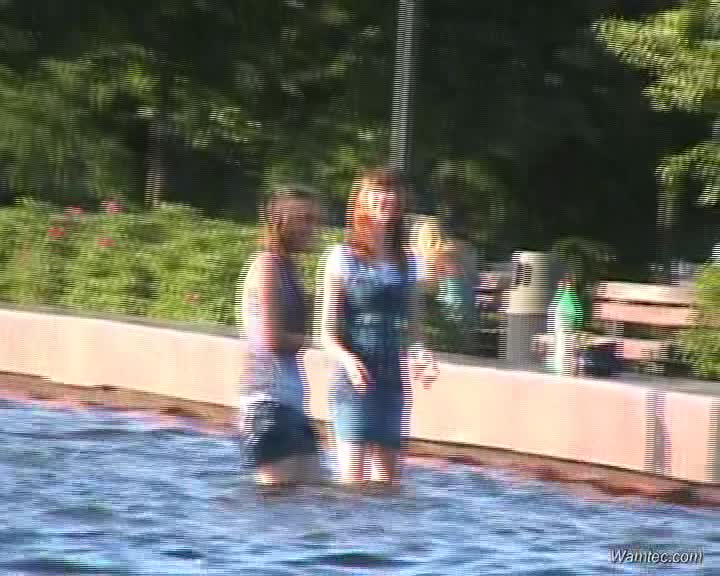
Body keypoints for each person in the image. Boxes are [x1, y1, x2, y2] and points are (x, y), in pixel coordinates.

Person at [320, 167, 436, 488]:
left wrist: (422, 356)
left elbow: (415, 331)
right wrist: (348, 361)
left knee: (388, 483)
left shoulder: (410, 262)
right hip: (353, 380)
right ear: (362, 201)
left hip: (391, 380)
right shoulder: (342, 257)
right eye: (378, 191)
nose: (387, 198)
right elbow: (326, 333)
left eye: (393, 191)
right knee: (353, 482)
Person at [236, 186, 324, 488]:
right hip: (266, 403)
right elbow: (271, 338)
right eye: (305, 219)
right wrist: (321, 341)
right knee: (277, 501)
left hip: (290, 403)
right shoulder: (267, 265)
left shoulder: (288, 267)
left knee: (314, 495)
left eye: (316, 220)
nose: (313, 228)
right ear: (280, 221)